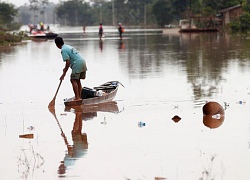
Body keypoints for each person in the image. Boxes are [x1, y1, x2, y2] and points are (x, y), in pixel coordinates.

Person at [54, 37, 87, 101]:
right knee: (77, 80)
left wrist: (64, 74)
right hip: (82, 61)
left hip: (77, 64)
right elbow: (69, 61)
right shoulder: (67, 46)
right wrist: (65, 69)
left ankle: (77, 98)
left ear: (57, 44)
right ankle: (79, 97)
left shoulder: (63, 50)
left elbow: (68, 62)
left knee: (73, 80)